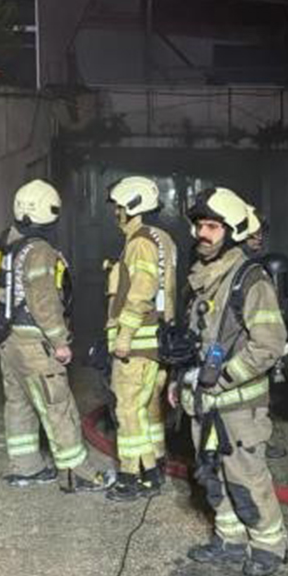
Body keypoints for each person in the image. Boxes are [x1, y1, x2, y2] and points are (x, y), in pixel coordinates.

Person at [175, 187, 288, 576]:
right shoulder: (202, 276)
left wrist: (223, 378)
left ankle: (269, 546)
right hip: (203, 402)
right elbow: (197, 338)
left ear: (233, 231)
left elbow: (269, 345)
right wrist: (180, 379)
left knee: (246, 478)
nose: (202, 234)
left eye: (212, 227)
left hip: (239, 405)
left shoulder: (250, 281)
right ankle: (230, 539)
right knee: (211, 474)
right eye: (199, 226)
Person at [0, 179, 115, 492]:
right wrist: (60, 342)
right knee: (58, 408)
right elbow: (44, 303)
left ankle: (26, 468)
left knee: (18, 404)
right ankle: (78, 474)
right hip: (35, 345)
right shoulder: (39, 251)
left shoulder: (8, 244)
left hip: (8, 341)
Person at [102, 176, 177, 502]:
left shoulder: (140, 243)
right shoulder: (162, 239)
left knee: (129, 411)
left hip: (137, 345)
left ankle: (130, 478)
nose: (115, 213)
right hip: (157, 342)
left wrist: (125, 335)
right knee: (146, 410)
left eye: (119, 207)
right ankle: (153, 472)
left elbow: (142, 291)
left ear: (132, 207)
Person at [243, 207, 288, 460]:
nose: (259, 238)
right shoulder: (237, 266)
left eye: (262, 233)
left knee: (259, 397)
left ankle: (258, 441)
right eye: (254, 232)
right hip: (241, 343)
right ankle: (249, 445)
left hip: (258, 342)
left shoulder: (258, 265)